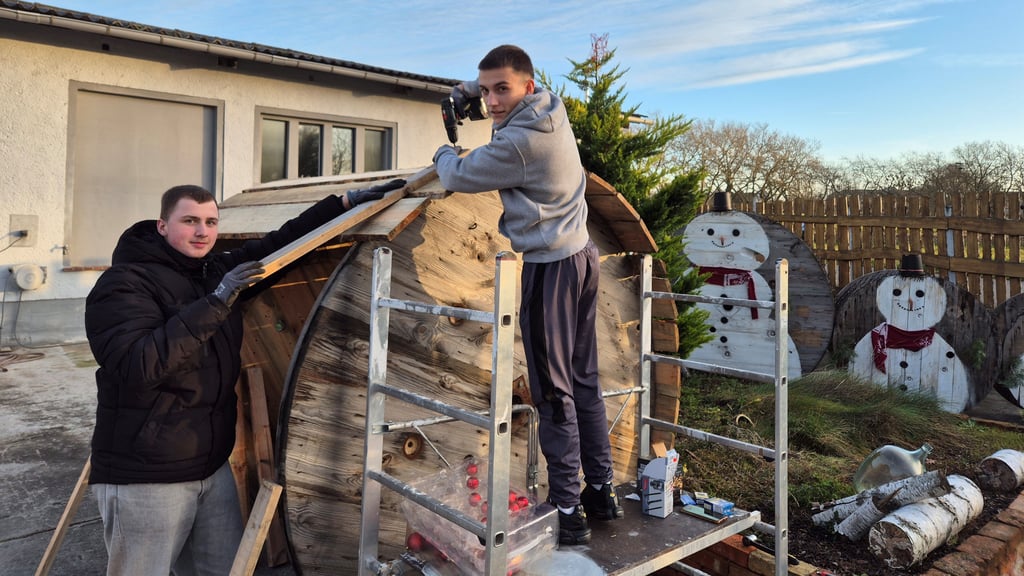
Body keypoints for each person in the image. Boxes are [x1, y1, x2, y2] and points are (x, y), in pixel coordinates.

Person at [84, 178, 404, 576]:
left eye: (210, 222)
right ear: (162, 226)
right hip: (147, 476)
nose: (202, 232)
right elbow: (140, 365)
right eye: (190, 221)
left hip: (210, 467)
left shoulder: (211, 270)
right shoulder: (123, 284)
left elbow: (277, 244)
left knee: (224, 569)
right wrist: (217, 301)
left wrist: (342, 203)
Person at [432, 44, 622, 546]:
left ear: (527, 88)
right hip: (582, 256)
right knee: (584, 381)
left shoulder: (520, 146)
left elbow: (455, 174)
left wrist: (443, 150)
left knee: (553, 392)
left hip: (549, 270)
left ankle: (567, 510)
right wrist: (469, 90)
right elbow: (499, 87)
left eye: (502, 90)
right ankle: (601, 491)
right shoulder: (550, 109)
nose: (492, 101)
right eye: (486, 89)